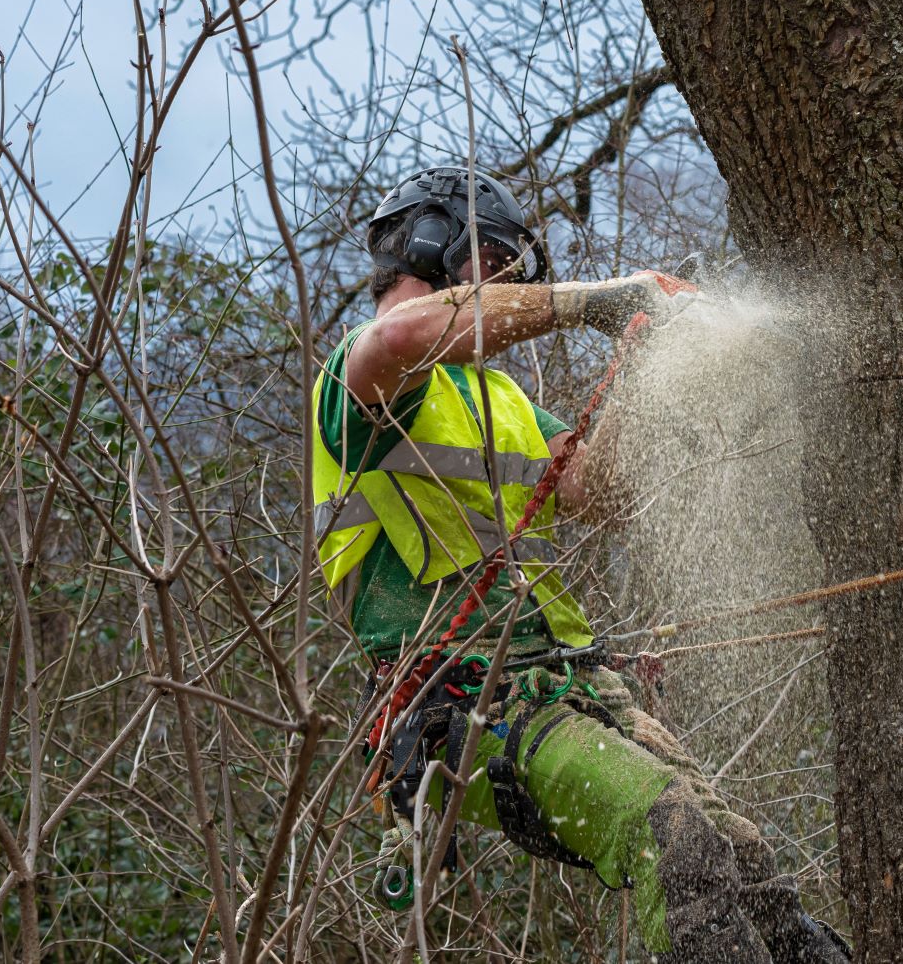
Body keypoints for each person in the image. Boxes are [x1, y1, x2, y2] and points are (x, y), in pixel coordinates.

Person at [312, 165, 850, 963]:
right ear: (434, 245)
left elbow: (605, 490)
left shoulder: (499, 400)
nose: (504, 289)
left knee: (741, 860)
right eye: (492, 265)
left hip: (567, 687)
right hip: (465, 707)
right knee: (674, 836)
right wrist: (591, 301)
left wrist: (636, 367)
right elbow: (401, 335)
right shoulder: (365, 377)